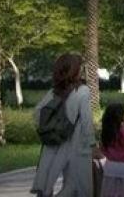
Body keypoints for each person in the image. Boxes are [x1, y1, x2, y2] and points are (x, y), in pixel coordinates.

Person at [31, 52, 94, 197]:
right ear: (76, 71)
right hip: (76, 145)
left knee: (49, 185)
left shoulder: (54, 92)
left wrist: (53, 126)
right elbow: (86, 121)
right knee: (75, 186)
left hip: (55, 143)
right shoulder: (82, 91)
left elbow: (38, 112)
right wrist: (93, 145)